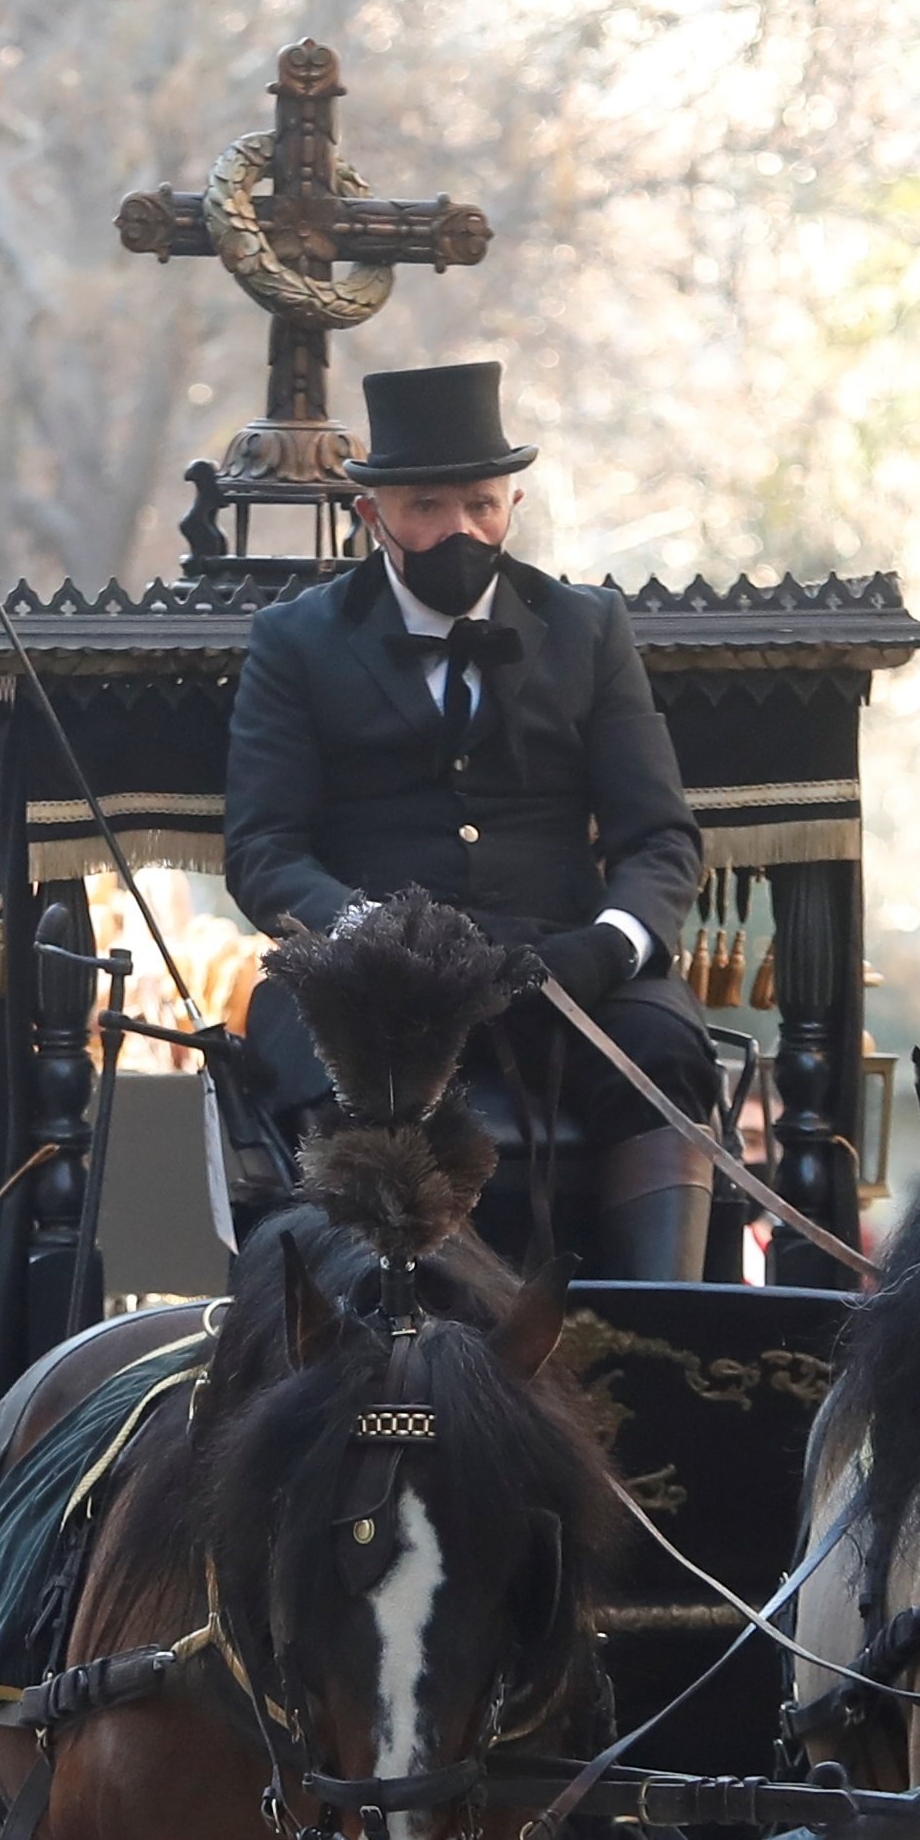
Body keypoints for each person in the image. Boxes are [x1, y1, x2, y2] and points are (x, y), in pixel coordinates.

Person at [221, 360, 716, 1280]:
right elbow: (263, 851)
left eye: (481, 506)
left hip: (564, 967)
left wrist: (609, 946)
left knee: (667, 1049)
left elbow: (660, 838)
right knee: (315, 1057)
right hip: (370, 976)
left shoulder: (589, 627)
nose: (461, 530)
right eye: (429, 509)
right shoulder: (296, 640)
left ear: (513, 503)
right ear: (373, 515)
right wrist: (374, 941)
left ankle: (662, 1333)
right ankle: (384, 1340)